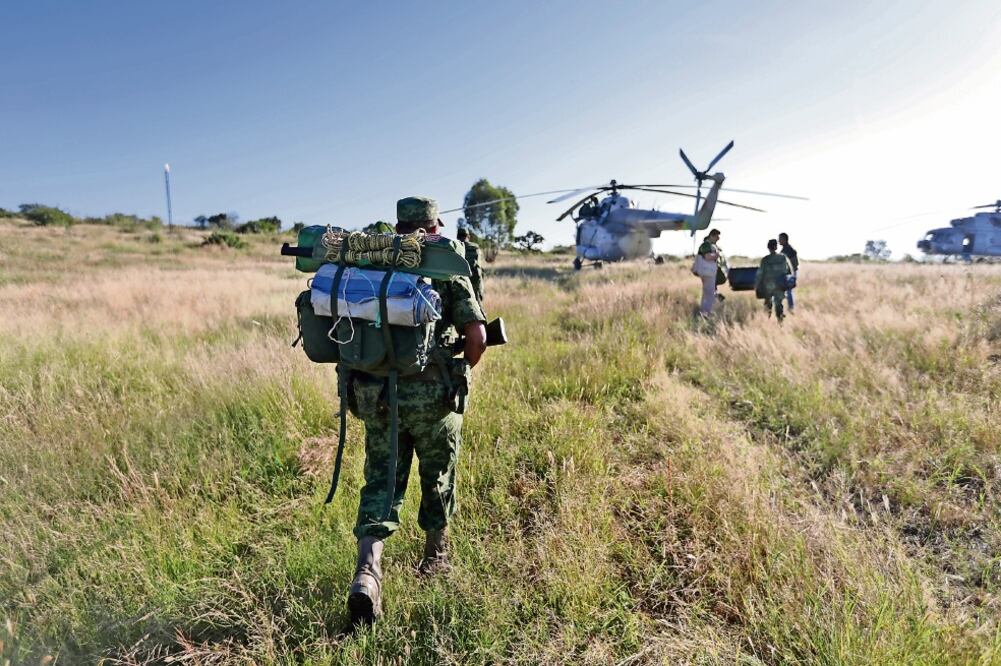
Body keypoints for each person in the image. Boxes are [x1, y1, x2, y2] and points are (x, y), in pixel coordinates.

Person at [347, 196, 487, 624]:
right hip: (433, 400)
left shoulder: (373, 262)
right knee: (437, 475)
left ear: (399, 224)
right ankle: (435, 560)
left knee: (381, 482)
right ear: (433, 226)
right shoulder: (444, 263)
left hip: (379, 398)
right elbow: (477, 337)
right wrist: (461, 358)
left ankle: (368, 575)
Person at [755, 238, 794, 322]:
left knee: (768, 303)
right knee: (779, 304)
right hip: (780, 284)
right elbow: (790, 271)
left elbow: (760, 274)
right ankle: (780, 321)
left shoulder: (765, 259)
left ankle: (767, 319)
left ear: (768, 247)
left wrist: (757, 285)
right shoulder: (783, 257)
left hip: (768, 285)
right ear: (776, 247)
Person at [692, 228, 725, 316]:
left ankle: (704, 311)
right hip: (707, 272)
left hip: (707, 272)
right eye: (717, 238)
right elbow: (707, 257)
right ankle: (706, 312)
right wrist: (717, 255)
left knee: (708, 292)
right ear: (712, 236)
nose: (717, 240)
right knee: (709, 293)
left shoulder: (709, 245)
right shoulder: (706, 244)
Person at [456, 226, 485, 305]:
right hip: (475, 282)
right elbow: (479, 268)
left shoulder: (454, 248)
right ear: (468, 236)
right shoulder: (475, 248)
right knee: (478, 306)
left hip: (458, 284)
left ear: (457, 236)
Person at [778, 232, 799, 313]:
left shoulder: (789, 250)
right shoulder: (784, 249)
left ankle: (791, 308)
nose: (778, 240)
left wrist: (790, 275)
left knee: (789, 291)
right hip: (788, 274)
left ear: (784, 239)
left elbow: (795, 265)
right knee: (786, 291)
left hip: (790, 274)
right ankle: (788, 308)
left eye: (780, 239)